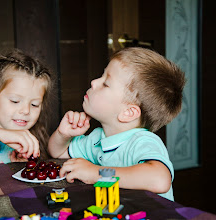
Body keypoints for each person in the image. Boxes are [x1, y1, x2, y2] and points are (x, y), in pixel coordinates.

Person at [48, 47, 186, 201]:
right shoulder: (97, 139)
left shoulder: (142, 141)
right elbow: (58, 153)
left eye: (105, 83)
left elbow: (159, 180)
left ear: (128, 113)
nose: (94, 82)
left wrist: (96, 173)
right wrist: (63, 135)